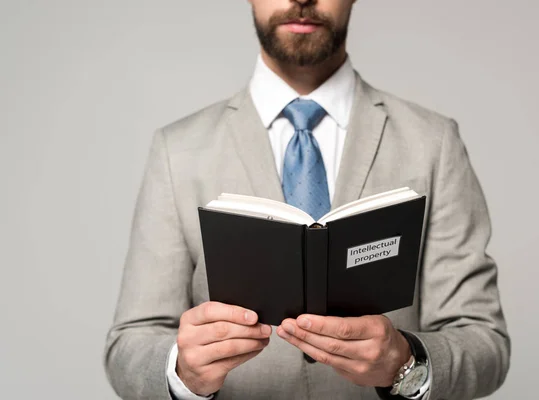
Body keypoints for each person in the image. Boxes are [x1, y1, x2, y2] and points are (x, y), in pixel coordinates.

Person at [104, 1, 510, 399]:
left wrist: (406, 362)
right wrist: (182, 370)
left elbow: (484, 342)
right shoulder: (178, 150)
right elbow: (129, 346)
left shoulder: (432, 143)